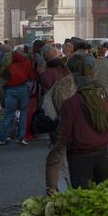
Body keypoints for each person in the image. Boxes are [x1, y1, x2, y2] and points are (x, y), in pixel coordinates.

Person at [58, 54, 108, 187]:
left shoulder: (70, 102)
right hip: (101, 149)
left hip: (79, 154)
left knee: (83, 195)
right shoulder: (102, 95)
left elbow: (65, 133)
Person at [39, 57, 73, 194]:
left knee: (57, 158)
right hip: (73, 129)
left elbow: (48, 104)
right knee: (66, 159)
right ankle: (67, 190)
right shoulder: (70, 83)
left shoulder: (55, 80)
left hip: (59, 124)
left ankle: (56, 191)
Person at [0, 50, 35, 146]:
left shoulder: (7, 67)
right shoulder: (25, 64)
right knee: (23, 113)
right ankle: (21, 137)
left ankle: (2, 138)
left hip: (10, 90)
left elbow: (2, 81)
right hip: (23, 89)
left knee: (9, 115)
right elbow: (32, 76)